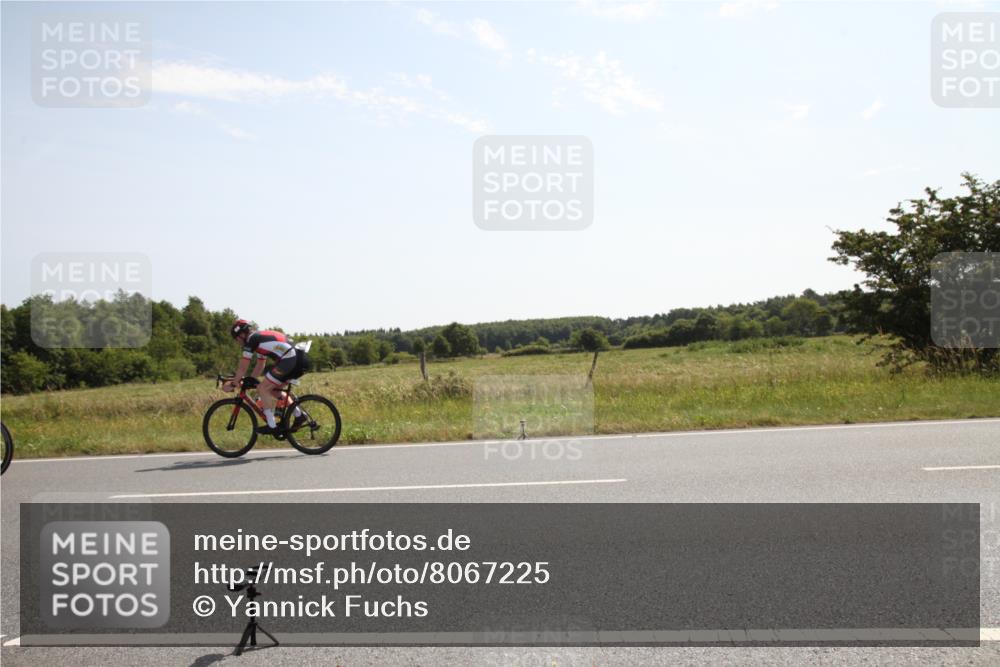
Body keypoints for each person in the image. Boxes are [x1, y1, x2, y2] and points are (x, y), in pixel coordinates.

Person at [224, 318, 311, 435]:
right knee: (274, 390)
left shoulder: (251, 340)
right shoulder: (259, 338)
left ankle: (272, 426)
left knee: (262, 388)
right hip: (298, 358)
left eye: (236, 339)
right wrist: (246, 381)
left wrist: (234, 383)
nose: (237, 342)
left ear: (242, 334)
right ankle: (299, 415)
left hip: (290, 359)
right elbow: (260, 365)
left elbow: (242, 368)